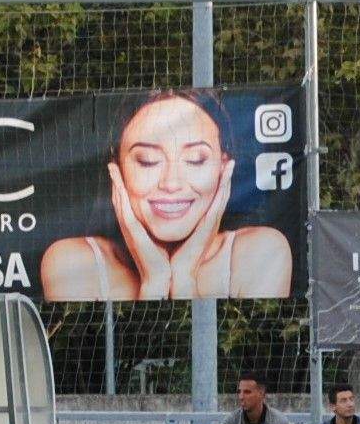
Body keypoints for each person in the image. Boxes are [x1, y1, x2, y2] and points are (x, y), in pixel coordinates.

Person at [40, 89, 293, 302]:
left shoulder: (261, 252)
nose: (171, 183)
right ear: (117, 170)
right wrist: (154, 281)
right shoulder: (72, 262)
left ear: (223, 168)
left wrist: (184, 278)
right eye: (147, 161)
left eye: (195, 160)